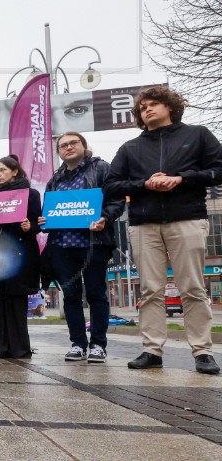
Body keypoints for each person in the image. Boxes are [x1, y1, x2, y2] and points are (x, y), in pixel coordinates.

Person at [104, 86, 221, 374]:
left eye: (154, 104)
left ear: (171, 107)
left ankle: (203, 351)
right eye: (143, 107)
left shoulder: (198, 135)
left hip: (187, 218)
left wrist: (181, 179)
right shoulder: (130, 148)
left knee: (192, 287)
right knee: (150, 289)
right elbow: (111, 185)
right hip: (144, 223)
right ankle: (151, 350)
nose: (148, 110)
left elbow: (219, 169)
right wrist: (145, 183)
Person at [39, 132, 124, 363]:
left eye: (73, 143)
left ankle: (98, 344)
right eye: (63, 145)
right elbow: (49, 212)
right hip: (61, 245)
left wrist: (105, 218)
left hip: (93, 244)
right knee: (71, 296)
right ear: (59, 152)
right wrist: (44, 222)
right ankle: (77, 343)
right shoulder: (55, 179)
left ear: (84, 146)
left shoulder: (101, 169)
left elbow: (116, 201)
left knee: (96, 294)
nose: (68, 147)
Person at [0, 155, 41, 359]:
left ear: (15, 171)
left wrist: (30, 227)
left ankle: (18, 348)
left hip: (18, 254)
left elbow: (38, 224)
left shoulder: (30, 194)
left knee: (14, 301)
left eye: (2, 170)